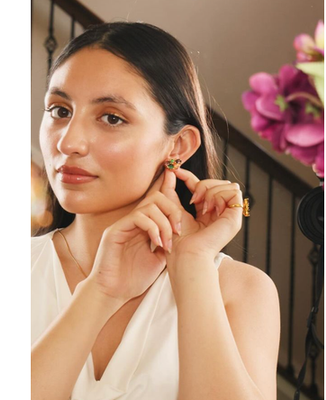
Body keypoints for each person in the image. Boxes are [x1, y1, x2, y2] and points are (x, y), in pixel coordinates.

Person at [31, 22, 280, 400]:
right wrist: (100, 293)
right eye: (59, 110)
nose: (69, 142)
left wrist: (192, 266)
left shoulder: (241, 290)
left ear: (178, 146)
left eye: (111, 117)